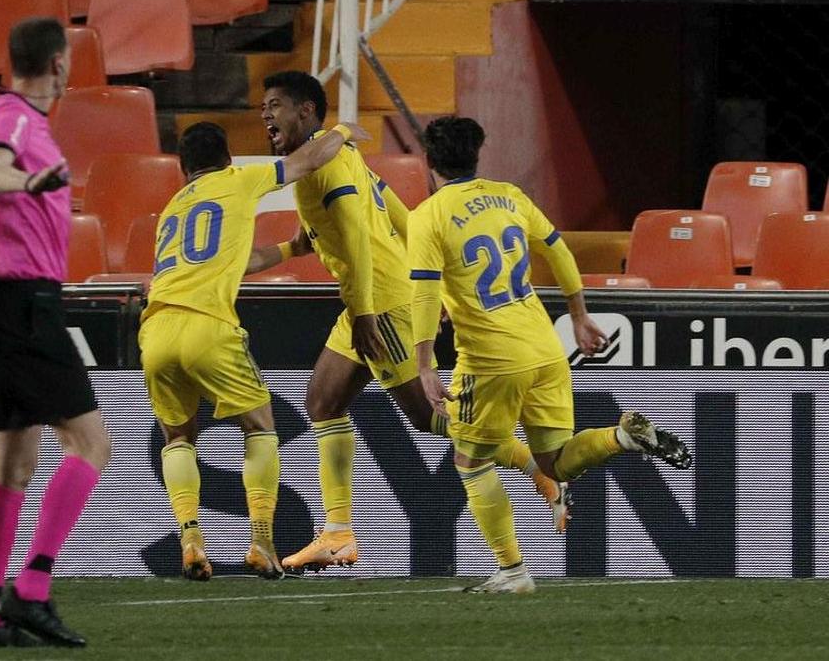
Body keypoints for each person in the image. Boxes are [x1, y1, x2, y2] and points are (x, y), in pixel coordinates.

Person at [258, 71, 571, 574]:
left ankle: (537, 467)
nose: (265, 115)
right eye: (264, 107)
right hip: (369, 299)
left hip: (379, 302)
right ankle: (338, 533)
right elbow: (393, 209)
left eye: (275, 104)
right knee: (323, 402)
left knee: (429, 419)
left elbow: (358, 238)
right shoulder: (339, 155)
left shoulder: (324, 163)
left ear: (306, 110)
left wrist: (368, 312)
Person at [409, 116, 693, 594]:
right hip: (545, 346)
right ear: (476, 156)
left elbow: (422, 292)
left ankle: (512, 571)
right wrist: (579, 315)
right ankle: (622, 437)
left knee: (470, 460)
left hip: (491, 357)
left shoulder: (428, 216)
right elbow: (558, 250)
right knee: (556, 463)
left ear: (428, 162)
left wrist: (424, 363)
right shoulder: (509, 196)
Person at [139, 120, 370, 582]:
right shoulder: (238, 180)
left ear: (184, 169)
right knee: (261, 426)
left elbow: (234, 261)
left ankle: (190, 537)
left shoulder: (172, 209)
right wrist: (342, 131)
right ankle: (262, 540)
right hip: (208, 324)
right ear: (228, 159)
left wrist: (290, 249)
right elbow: (306, 161)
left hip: (155, 329)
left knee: (178, 438)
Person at [0, 17, 109, 648]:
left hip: (3, 304)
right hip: (25, 307)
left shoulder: (11, 117)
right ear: (59, 64)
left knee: (14, 463)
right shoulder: (16, 120)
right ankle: (32, 589)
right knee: (91, 443)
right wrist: (31, 180)